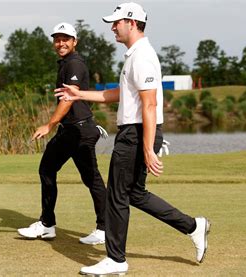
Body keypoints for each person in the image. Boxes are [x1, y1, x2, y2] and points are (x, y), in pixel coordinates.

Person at [54, 3, 210, 275]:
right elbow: (118, 95)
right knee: (134, 193)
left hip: (136, 135)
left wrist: (148, 148)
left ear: (133, 23)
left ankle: (116, 259)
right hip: (136, 133)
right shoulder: (133, 56)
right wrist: (78, 95)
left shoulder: (142, 56)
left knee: (116, 194)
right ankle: (194, 226)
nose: (113, 27)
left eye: (117, 22)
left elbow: (149, 105)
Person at [17, 23, 107, 245]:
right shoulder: (66, 63)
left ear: (75, 41)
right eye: (57, 39)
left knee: (89, 178)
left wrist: (49, 124)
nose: (61, 43)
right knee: (52, 170)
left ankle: (104, 228)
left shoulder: (74, 64)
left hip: (79, 131)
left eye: (66, 39)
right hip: (72, 130)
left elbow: (67, 100)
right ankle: (48, 225)